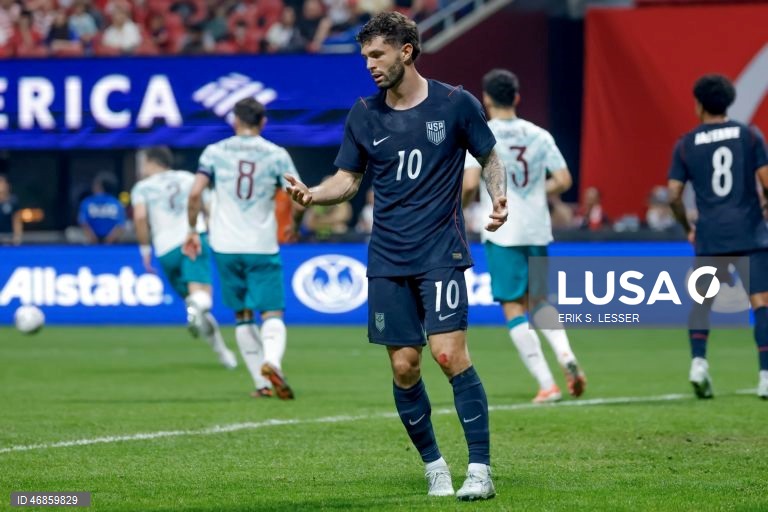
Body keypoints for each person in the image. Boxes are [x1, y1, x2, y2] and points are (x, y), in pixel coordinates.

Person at [285, 12, 507, 500]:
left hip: (440, 250)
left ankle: (481, 470)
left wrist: (498, 197)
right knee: (405, 366)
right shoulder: (364, 113)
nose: (369, 64)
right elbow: (347, 179)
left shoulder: (456, 104)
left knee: (449, 355)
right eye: (365, 56)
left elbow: (489, 155)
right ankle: (434, 466)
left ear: (406, 51)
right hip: (387, 256)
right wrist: (314, 196)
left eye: (377, 54)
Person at [463, 69, 587, 405]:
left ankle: (547, 383)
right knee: (541, 300)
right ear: (516, 98)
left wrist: (459, 211)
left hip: (503, 229)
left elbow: (472, 184)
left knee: (513, 306)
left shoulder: (481, 132)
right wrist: (533, 191)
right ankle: (565, 355)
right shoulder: (539, 134)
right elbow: (563, 179)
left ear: (486, 99)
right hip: (537, 227)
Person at [184, 98, 304, 400]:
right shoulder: (276, 154)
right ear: (263, 122)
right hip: (261, 244)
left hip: (224, 244)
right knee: (272, 311)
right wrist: (293, 223)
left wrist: (191, 230)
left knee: (242, 314)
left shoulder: (214, 151)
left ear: (235, 121)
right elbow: (298, 194)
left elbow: (196, 193)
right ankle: (272, 362)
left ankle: (262, 385)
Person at [668, 74, 768, 400]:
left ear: (698, 104)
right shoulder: (749, 136)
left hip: (710, 235)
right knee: (761, 303)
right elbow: (766, 181)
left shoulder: (686, 143)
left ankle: (698, 364)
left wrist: (687, 227)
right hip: (750, 233)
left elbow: (673, 194)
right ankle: (765, 376)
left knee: (702, 301)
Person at [131, 146, 237, 370]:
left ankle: (222, 353)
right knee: (202, 300)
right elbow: (210, 208)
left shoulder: (142, 188)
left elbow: (140, 219)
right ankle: (198, 310)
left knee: (196, 304)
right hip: (192, 240)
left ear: (152, 162)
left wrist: (144, 250)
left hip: (165, 250)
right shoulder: (190, 179)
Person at [78, 172, 126, 244]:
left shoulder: (87, 202)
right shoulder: (117, 203)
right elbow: (121, 226)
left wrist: (93, 239)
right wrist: (108, 241)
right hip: (111, 245)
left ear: (99, 186)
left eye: (95, 184)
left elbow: (83, 222)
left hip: (93, 244)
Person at [0, 174, 22, 245]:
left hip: (9, 238)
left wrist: (17, 237)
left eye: (1, 182)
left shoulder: (13, 201)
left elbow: (17, 221)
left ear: (7, 185)